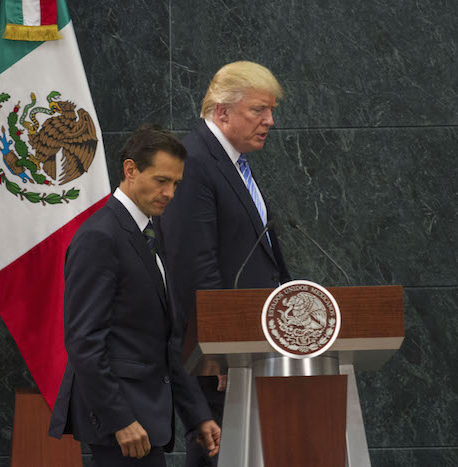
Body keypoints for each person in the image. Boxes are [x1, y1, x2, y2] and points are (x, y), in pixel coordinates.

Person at [49, 124, 221, 467]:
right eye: (161, 180)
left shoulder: (150, 233)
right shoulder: (100, 236)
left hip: (146, 419)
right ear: (130, 170)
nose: (169, 193)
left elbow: (168, 341)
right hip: (122, 425)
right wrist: (119, 420)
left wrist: (197, 415)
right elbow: (84, 341)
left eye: (176, 184)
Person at [160, 61, 292, 466]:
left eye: (271, 111)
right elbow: (193, 266)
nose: (269, 121)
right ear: (222, 111)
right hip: (221, 356)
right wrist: (220, 350)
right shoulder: (195, 162)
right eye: (258, 110)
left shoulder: (233, 162)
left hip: (252, 346)